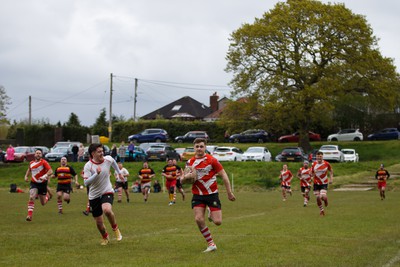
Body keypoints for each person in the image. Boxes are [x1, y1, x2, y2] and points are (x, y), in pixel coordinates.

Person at [182, 138, 235, 253]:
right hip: (197, 195)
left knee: (218, 222)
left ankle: (211, 212)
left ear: (205, 147)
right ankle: (211, 244)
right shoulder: (189, 162)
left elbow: (224, 175)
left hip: (212, 195)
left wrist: (229, 192)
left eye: (201, 146)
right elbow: (182, 179)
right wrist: (185, 178)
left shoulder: (212, 160)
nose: (199, 148)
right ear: (194, 148)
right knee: (198, 219)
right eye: (197, 146)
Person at [83, 143, 123, 245]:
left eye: (102, 151)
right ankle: (105, 237)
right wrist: (96, 174)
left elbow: (114, 162)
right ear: (93, 153)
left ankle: (116, 229)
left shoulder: (108, 159)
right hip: (94, 195)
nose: (102, 153)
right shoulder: (88, 166)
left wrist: (119, 172)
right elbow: (86, 182)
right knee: (99, 223)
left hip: (107, 190)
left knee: (107, 210)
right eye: (99, 152)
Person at [24, 149, 53, 221]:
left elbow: (50, 171)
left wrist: (44, 176)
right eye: (37, 153)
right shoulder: (31, 163)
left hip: (43, 184)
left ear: (41, 155)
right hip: (34, 183)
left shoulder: (44, 162)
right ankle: (29, 216)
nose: (38, 154)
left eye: (39, 153)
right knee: (31, 197)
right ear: (34, 155)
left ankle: (47, 197)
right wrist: (26, 176)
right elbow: (29, 169)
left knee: (43, 203)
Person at [311, 151, 333, 216]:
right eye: (318, 156)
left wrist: (331, 179)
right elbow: (312, 173)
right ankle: (322, 210)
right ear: (316, 157)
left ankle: (325, 200)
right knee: (318, 197)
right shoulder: (313, 164)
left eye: (320, 156)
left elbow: (331, 171)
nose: (319, 157)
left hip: (324, 182)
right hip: (316, 183)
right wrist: (312, 176)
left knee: (323, 196)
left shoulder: (326, 163)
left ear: (322, 156)